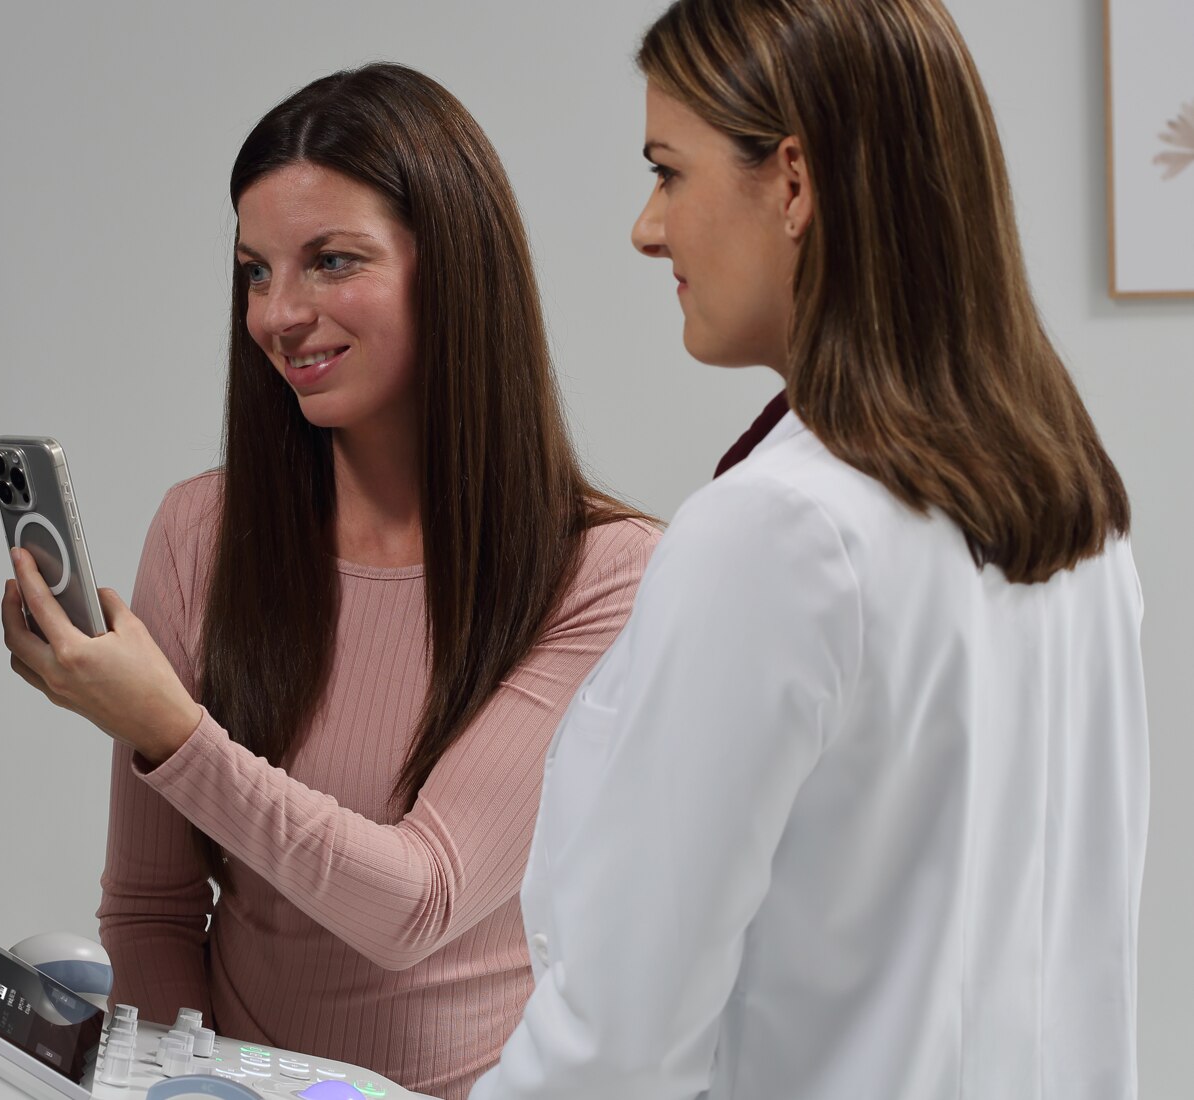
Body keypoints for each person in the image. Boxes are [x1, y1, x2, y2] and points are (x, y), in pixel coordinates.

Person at [471, 1, 1148, 1097]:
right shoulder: (1076, 515)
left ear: (793, 181)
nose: (648, 228)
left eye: (669, 172)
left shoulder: (780, 529)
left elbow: (617, 1053)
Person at [0, 63, 659, 1099]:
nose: (279, 313)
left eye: (331, 261)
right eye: (255, 272)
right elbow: (152, 912)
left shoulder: (603, 575)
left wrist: (169, 730)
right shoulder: (201, 533)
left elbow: (419, 902)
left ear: (452, 268)